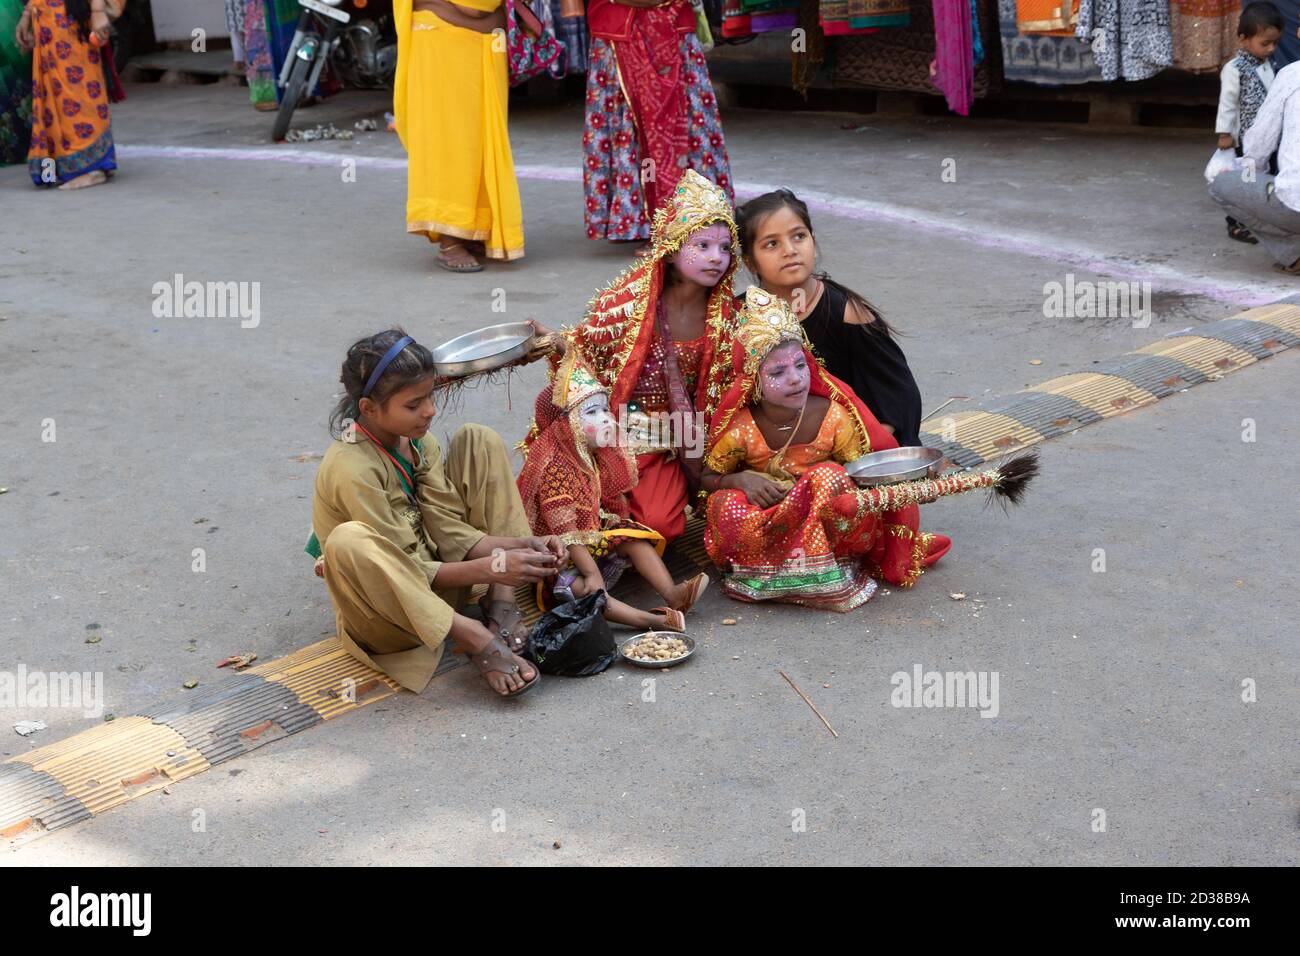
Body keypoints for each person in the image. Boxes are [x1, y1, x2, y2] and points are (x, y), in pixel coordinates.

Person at [310, 329, 570, 697]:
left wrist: (524, 544)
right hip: (395, 610)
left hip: (443, 581)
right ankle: (476, 635)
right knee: (347, 541)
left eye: (429, 396)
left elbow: (448, 530)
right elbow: (406, 569)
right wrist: (493, 565)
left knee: (477, 439)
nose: (430, 410)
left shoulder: (416, 440)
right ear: (368, 408)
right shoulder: (351, 467)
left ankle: (501, 602)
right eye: (413, 405)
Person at [701, 288, 951, 610]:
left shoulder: (833, 415)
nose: (795, 379)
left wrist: (905, 487)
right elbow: (708, 478)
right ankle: (780, 574)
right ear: (754, 381)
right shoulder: (740, 428)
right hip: (773, 522)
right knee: (724, 503)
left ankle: (818, 574)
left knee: (829, 475)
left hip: (830, 523)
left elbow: (860, 473)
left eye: (800, 366)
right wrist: (740, 481)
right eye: (778, 372)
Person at [532, 169, 744, 545]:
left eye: (725, 247)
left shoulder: (728, 316)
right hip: (624, 429)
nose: (717, 258)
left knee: (660, 527)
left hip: (687, 440)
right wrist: (556, 343)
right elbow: (587, 358)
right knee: (602, 514)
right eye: (703, 245)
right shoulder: (625, 303)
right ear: (673, 246)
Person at [516, 354, 710, 632]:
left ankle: (673, 595)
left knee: (634, 538)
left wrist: (616, 531)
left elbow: (606, 504)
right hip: (558, 557)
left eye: (605, 409)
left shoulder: (589, 451)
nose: (606, 418)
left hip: (591, 538)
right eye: (591, 413)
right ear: (565, 423)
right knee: (583, 590)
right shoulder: (555, 467)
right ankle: (651, 621)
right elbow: (567, 535)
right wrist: (592, 573)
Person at [736, 189, 924, 447]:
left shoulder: (847, 314)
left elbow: (897, 396)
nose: (790, 250)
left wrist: (860, 447)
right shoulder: (739, 317)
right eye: (772, 244)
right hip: (767, 450)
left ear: (813, 242)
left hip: (849, 445)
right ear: (750, 262)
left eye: (799, 237)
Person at [583, 0, 733, 254]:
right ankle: (647, 221)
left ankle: (686, 221)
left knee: (680, 126)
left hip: (668, 29)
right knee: (632, 125)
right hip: (620, 30)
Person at [395, 0, 523, 272]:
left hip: (487, 43)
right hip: (439, 36)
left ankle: (474, 227)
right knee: (447, 138)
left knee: (479, 140)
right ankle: (449, 239)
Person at [1210, 19, 1300, 272]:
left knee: (1220, 182)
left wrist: (1250, 176)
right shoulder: (1237, 68)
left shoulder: (1291, 75)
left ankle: (1293, 253)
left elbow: (1258, 146)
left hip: (1295, 202)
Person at [17, 0, 115, 188]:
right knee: (51, 101)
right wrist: (27, 16)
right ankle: (62, 168)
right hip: (46, 22)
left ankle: (93, 169)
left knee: (79, 93)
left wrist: (97, 10)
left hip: (71, 21)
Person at [1217, 2, 1283, 243]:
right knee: (1243, 181)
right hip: (1244, 139)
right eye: (1265, 43)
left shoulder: (1268, 64)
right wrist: (1225, 133)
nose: (1271, 48)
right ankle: (1235, 223)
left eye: (1275, 43)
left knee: (1263, 177)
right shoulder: (1234, 69)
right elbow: (1227, 104)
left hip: (1266, 135)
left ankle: (1261, 218)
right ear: (1243, 39)